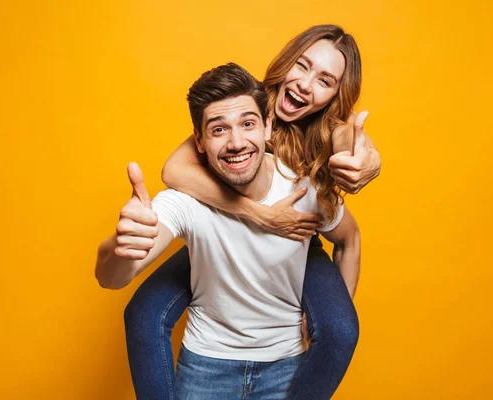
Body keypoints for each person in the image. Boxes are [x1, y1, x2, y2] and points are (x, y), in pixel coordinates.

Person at [124, 25, 381, 399]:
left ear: (334, 97)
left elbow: (352, 140)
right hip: (224, 232)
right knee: (143, 314)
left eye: (325, 80)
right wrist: (258, 215)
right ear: (286, 61)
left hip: (295, 239)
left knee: (340, 330)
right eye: (303, 66)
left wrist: (369, 157)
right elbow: (173, 170)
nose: (306, 85)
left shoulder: (328, 131)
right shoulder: (244, 103)